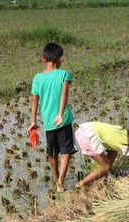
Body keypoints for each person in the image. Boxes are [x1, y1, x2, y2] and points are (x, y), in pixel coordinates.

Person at [27, 42, 76, 192]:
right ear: (60, 59)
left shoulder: (37, 78)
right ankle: (60, 181)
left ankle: (55, 178)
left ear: (44, 59)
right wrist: (60, 114)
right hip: (63, 120)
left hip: (48, 122)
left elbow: (34, 100)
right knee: (66, 151)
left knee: (52, 152)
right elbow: (64, 94)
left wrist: (33, 121)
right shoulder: (63, 74)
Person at [74, 122, 129, 188]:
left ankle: (103, 179)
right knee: (105, 166)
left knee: (113, 152)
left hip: (84, 129)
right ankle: (81, 184)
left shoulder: (126, 133)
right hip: (87, 137)